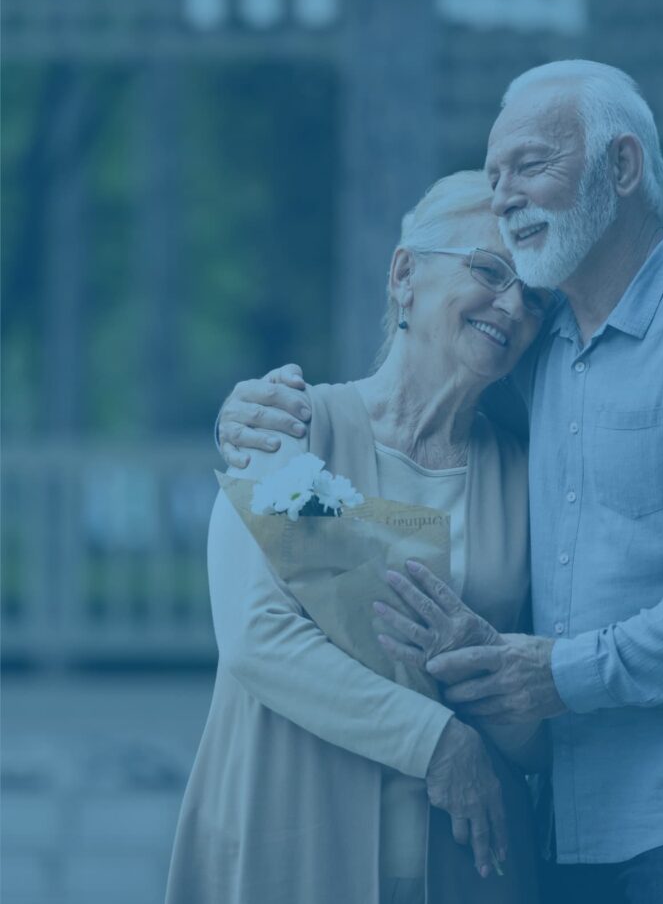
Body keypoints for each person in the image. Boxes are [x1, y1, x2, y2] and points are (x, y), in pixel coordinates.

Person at [218, 60, 663, 904]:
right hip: (562, 826)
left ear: (621, 166)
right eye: (494, 176)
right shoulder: (540, 366)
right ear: (402, 275)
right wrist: (240, 415)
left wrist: (567, 675)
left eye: (530, 165)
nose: (504, 195)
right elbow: (398, 427)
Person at [167, 171, 554, 904]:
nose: (513, 305)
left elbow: (543, 727)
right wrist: (438, 740)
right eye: (489, 270)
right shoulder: (290, 425)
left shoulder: (529, 479)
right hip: (292, 841)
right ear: (405, 275)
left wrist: (485, 673)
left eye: (535, 296)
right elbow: (257, 637)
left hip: (468, 870)